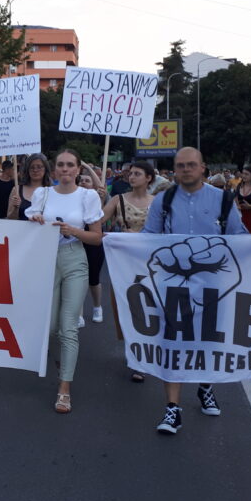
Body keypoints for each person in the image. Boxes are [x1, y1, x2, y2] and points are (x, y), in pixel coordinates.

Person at [141, 147, 247, 435]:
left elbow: (239, 238)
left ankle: (205, 386)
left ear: (203, 168)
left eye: (191, 165)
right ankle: (172, 409)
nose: (185, 169)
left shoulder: (224, 200)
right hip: (173, 288)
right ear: (174, 169)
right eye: (180, 165)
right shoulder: (163, 201)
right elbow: (148, 237)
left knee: (206, 343)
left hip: (214, 289)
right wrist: (117, 241)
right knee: (173, 345)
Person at [25, 149, 104, 413]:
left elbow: (97, 237)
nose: (65, 169)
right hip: (45, 260)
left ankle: (64, 389)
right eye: (61, 165)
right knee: (50, 329)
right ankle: (64, 364)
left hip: (74, 259)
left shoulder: (88, 196)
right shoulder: (42, 194)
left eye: (70, 165)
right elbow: (28, 226)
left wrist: (74, 231)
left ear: (79, 168)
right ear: (55, 169)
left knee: (69, 327)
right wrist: (34, 219)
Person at [102, 160, 156, 382]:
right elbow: (96, 221)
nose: (131, 176)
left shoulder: (159, 203)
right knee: (126, 306)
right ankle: (134, 350)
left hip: (150, 264)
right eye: (130, 173)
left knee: (146, 308)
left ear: (149, 178)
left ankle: (141, 356)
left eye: (137, 173)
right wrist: (97, 197)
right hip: (123, 264)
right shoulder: (118, 200)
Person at [77, 164, 107, 325]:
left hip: (94, 243)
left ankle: (97, 307)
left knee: (93, 279)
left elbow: (100, 186)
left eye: (87, 180)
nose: (83, 182)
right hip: (77, 241)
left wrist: (86, 166)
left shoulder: (97, 196)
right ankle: (79, 314)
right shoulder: (73, 196)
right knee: (77, 279)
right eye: (81, 180)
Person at [7, 153, 50, 220]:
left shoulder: (52, 190)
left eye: (39, 167)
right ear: (27, 169)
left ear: (45, 169)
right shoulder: (17, 190)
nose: (35, 170)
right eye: (32, 167)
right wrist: (15, 208)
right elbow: (10, 218)